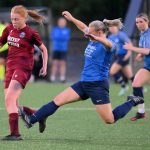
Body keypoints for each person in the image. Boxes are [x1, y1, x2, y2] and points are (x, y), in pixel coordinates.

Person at [18, 11, 143, 133]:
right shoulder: (92, 37)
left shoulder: (109, 44)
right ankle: (33, 119)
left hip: (98, 85)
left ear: (99, 33)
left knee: (109, 119)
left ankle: (132, 101)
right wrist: (72, 19)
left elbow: (108, 44)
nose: (87, 33)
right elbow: (83, 26)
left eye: (91, 32)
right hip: (84, 83)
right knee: (57, 100)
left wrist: (96, 38)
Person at [0, 5, 48, 140]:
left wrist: (44, 66)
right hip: (9, 69)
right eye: (12, 19)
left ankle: (15, 134)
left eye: (16, 19)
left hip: (23, 69)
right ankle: (38, 115)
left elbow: (43, 49)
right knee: (12, 104)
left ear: (24, 18)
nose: (14, 22)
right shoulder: (8, 29)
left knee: (9, 99)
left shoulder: (31, 33)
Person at [124, 13, 150, 121]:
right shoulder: (142, 33)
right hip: (148, 67)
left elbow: (148, 51)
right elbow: (144, 49)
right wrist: (140, 55)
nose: (138, 24)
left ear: (147, 22)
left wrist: (131, 48)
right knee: (136, 83)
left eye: (141, 21)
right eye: (137, 22)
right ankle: (141, 112)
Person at [103, 19, 134, 96]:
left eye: (113, 27)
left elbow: (130, 44)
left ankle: (124, 86)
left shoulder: (121, 35)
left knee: (112, 71)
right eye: (110, 27)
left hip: (123, 56)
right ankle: (140, 88)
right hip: (118, 56)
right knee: (129, 75)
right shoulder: (110, 37)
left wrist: (128, 54)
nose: (112, 28)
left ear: (117, 27)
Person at [50, 17, 71, 82]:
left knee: (62, 63)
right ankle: (52, 78)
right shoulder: (55, 30)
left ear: (65, 23)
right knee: (55, 63)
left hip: (63, 49)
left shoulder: (67, 30)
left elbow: (66, 38)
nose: (62, 23)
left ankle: (62, 78)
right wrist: (60, 37)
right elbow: (53, 37)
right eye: (60, 22)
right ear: (58, 23)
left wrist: (59, 37)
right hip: (56, 49)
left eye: (63, 22)